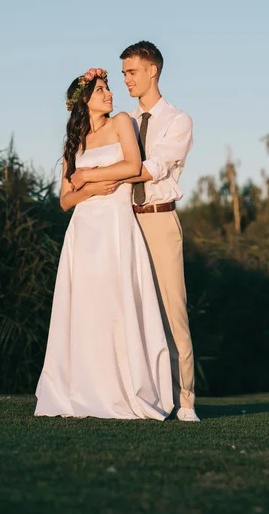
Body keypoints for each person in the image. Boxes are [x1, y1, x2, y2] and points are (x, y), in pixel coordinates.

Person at [34, 67, 173, 420]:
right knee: (85, 309)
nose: (109, 94)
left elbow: (133, 163)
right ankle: (82, 389)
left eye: (108, 88)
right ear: (84, 102)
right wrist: (91, 189)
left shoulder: (121, 122)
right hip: (84, 232)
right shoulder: (74, 143)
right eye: (100, 90)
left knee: (116, 304)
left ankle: (122, 390)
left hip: (115, 226)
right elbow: (65, 200)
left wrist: (88, 175)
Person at [72, 43, 199, 422]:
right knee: (129, 312)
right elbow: (89, 127)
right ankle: (142, 394)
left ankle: (186, 399)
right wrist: (88, 84)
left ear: (152, 71)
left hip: (158, 219)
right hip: (121, 221)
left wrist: (91, 176)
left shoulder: (178, 121)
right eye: (122, 74)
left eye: (130, 72)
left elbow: (146, 169)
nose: (125, 79)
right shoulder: (121, 118)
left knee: (172, 309)